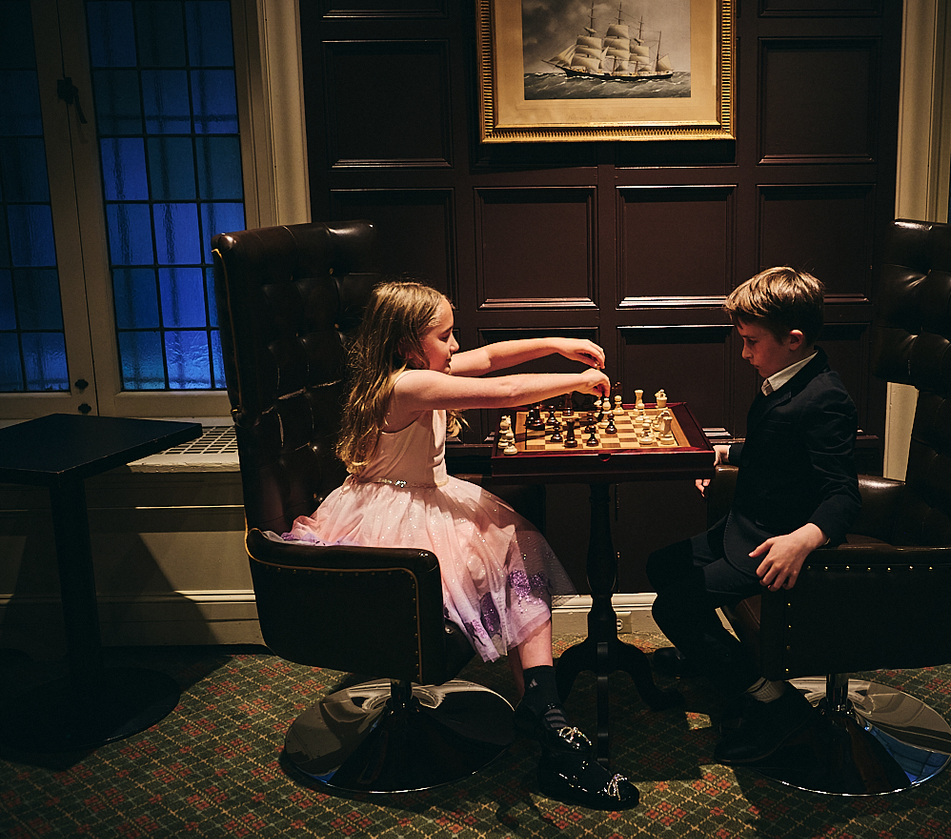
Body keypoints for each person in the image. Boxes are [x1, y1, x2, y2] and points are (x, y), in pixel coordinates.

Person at [286, 280, 638, 810]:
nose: (455, 347)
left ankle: (543, 709)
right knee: (512, 553)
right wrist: (577, 379)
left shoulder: (417, 371)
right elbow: (502, 392)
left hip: (423, 499)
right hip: (393, 523)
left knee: (518, 547)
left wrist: (557, 342)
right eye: (445, 337)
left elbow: (493, 358)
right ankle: (546, 715)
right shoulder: (406, 387)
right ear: (407, 344)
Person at [645, 266, 861, 764]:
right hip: (742, 525)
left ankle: (777, 704)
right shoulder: (785, 375)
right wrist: (730, 453)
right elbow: (782, 447)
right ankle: (714, 661)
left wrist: (803, 539)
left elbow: (843, 493)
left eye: (750, 342)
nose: (744, 354)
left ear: (794, 339)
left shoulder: (826, 397)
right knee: (662, 567)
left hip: (770, 543)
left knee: (672, 608)